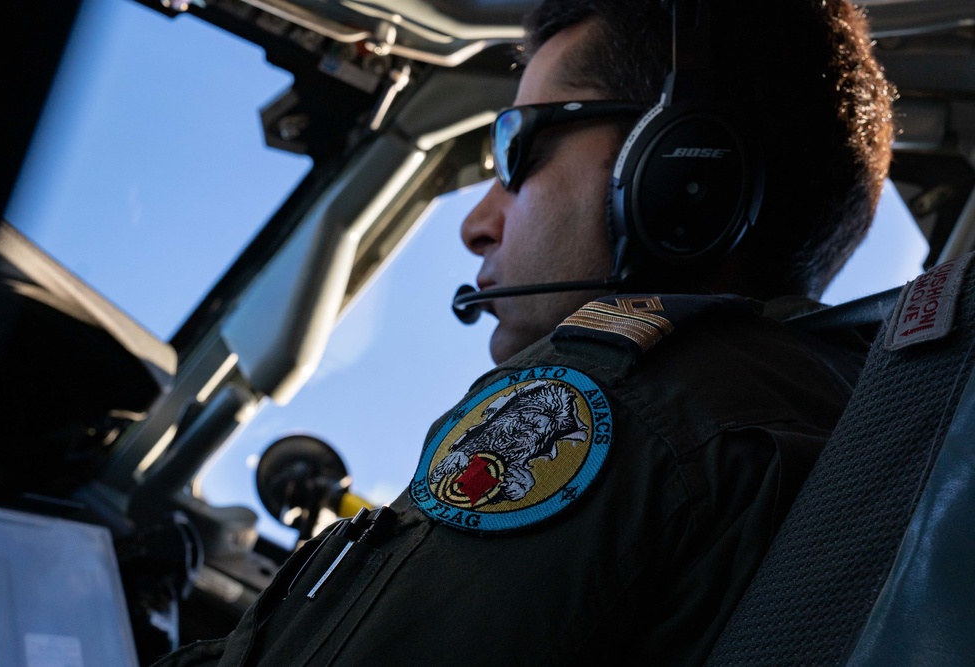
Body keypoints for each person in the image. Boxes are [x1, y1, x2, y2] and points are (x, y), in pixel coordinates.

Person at [156, 0, 894, 664]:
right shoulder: (843, 417)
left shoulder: (618, 408)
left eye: (518, 147)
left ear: (679, 170)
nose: (478, 224)